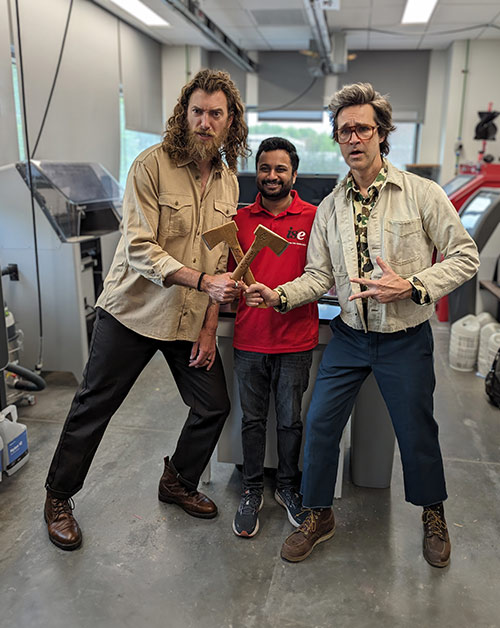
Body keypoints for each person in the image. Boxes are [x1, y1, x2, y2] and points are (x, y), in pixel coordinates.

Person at [245, 83, 479, 567]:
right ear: (337, 138)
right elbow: (319, 275)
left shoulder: (422, 194)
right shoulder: (330, 207)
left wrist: (412, 285)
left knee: (416, 430)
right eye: (344, 130)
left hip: (404, 338)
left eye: (363, 128)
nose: (353, 138)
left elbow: (465, 256)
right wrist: (280, 296)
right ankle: (318, 513)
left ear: (382, 133)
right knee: (320, 423)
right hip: (350, 339)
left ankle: (432, 513)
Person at [43, 69, 249, 550]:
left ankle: (177, 480)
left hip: (186, 317)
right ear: (184, 114)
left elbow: (218, 258)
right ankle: (57, 498)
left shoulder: (228, 182)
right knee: (95, 406)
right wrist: (202, 282)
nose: (204, 122)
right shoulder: (150, 166)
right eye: (196, 111)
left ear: (229, 120)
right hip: (132, 311)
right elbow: (139, 247)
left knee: (213, 404)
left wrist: (206, 327)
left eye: (215, 113)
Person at [230, 137, 318, 538]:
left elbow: (321, 275)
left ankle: (286, 487)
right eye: (265, 168)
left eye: (280, 169)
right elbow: (225, 277)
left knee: (289, 421)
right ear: (257, 172)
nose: (271, 176)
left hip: (296, 339)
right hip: (249, 338)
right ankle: (251, 491)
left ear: (294, 174)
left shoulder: (314, 218)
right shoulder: (240, 220)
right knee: (251, 421)